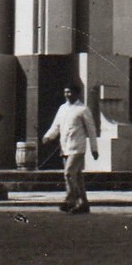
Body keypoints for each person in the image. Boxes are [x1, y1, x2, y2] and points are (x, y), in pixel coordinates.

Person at [41, 82, 100, 213]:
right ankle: (83, 203)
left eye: (70, 92)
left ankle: (70, 199)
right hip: (65, 147)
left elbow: (91, 130)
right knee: (77, 176)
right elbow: (56, 126)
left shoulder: (83, 109)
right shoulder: (62, 108)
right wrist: (48, 136)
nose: (67, 95)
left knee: (68, 173)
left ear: (76, 93)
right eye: (65, 92)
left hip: (77, 147)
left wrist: (94, 149)